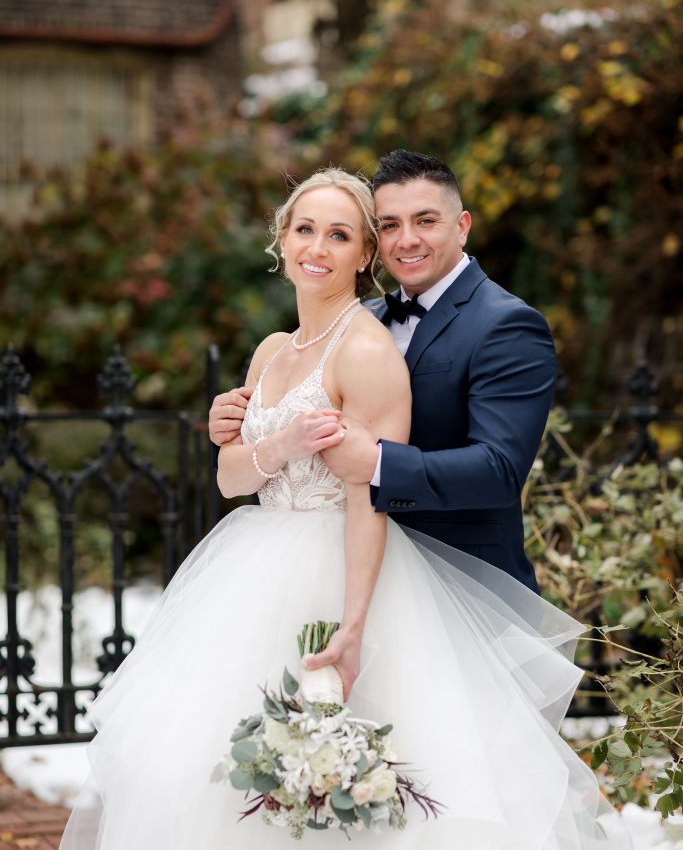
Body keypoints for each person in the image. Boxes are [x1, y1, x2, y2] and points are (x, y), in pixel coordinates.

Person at [31, 170, 672, 850]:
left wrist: (366, 537)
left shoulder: (482, 328)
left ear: (456, 226)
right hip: (251, 579)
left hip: (396, 577)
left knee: (399, 811)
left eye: (347, 233)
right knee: (209, 789)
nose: (328, 246)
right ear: (281, 237)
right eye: (308, 229)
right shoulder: (291, 341)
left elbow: (481, 471)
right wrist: (257, 438)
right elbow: (233, 475)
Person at [209, 150, 556, 594]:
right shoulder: (356, 321)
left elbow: (500, 470)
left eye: (426, 221)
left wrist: (379, 465)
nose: (406, 240)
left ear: (463, 226)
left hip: (461, 585)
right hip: (335, 571)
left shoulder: (506, 324)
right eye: (390, 225)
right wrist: (241, 417)